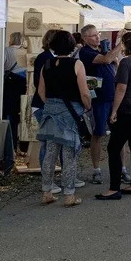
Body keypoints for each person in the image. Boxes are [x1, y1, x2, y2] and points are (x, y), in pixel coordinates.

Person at [37, 30, 92, 207]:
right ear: (71, 45)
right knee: (69, 154)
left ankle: (46, 191)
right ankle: (69, 195)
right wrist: (86, 106)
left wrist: (52, 105)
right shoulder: (77, 64)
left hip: (50, 112)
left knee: (50, 153)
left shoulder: (47, 64)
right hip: (70, 113)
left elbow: (40, 91)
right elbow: (84, 92)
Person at [96, 33, 131, 200]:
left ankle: (114, 188)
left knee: (113, 147)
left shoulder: (126, 63)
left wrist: (114, 110)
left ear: (124, 46)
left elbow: (121, 88)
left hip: (127, 109)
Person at [78, 24, 129, 185]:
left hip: (113, 97)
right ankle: (96, 170)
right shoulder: (85, 52)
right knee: (98, 133)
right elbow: (107, 59)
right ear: (85, 39)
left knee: (119, 134)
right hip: (99, 99)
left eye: (97, 34)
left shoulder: (102, 49)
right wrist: (123, 42)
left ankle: (122, 169)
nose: (97, 37)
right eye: (93, 35)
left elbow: (113, 63)